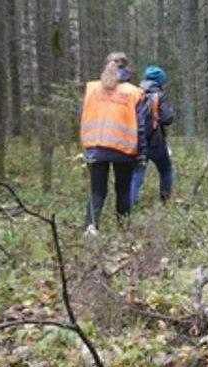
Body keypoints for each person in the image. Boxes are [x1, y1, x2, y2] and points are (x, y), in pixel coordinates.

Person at [81, 52, 145, 236]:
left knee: (96, 191)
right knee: (123, 190)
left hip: (95, 146)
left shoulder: (91, 88)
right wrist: (141, 153)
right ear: (127, 68)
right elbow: (140, 125)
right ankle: (123, 230)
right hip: (123, 149)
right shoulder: (134, 92)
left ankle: (90, 228)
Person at [130, 66, 176, 205]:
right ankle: (165, 201)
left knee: (137, 173)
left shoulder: (134, 93)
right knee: (166, 170)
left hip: (136, 139)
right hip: (155, 141)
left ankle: (130, 207)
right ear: (160, 81)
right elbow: (168, 118)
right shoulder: (159, 95)